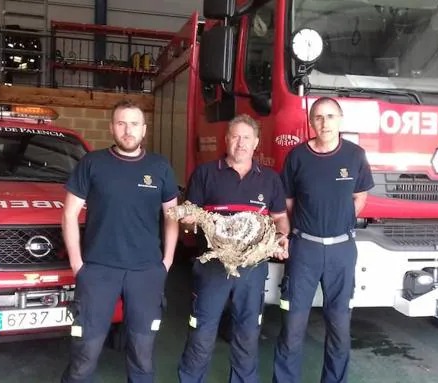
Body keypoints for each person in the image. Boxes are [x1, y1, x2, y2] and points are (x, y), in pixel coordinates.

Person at [60, 100, 179, 383]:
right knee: (85, 353)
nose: (128, 130)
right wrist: (78, 264)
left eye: (134, 124)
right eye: (122, 123)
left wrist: (168, 261)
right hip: (99, 271)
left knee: (142, 354)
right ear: (112, 127)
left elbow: (172, 216)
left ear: (144, 130)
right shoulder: (92, 163)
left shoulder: (159, 167)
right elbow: (69, 214)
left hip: (146, 272)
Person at [177, 114, 290, 383]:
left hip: (252, 270)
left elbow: (279, 218)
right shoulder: (205, 174)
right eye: (235, 137)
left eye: (246, 138)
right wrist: (188, 221)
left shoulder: (270, 180)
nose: (240, 143)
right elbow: (190, 215)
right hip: (212, 270)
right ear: (226, 140)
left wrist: (282, 236)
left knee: (248, 333)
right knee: (202, 333)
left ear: (256, 143)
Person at [272, 97, 374, 383]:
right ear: (311, 122)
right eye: (318, 117)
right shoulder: (297, 157)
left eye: (330, 116)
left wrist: (339, 221)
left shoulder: (355, 156)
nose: (325, 123)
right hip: (305, 249)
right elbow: (288, 202)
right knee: (293, 327)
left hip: (342, 251)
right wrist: (303, 230)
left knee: (339, 329)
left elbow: (360, 196)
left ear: (340, 120)